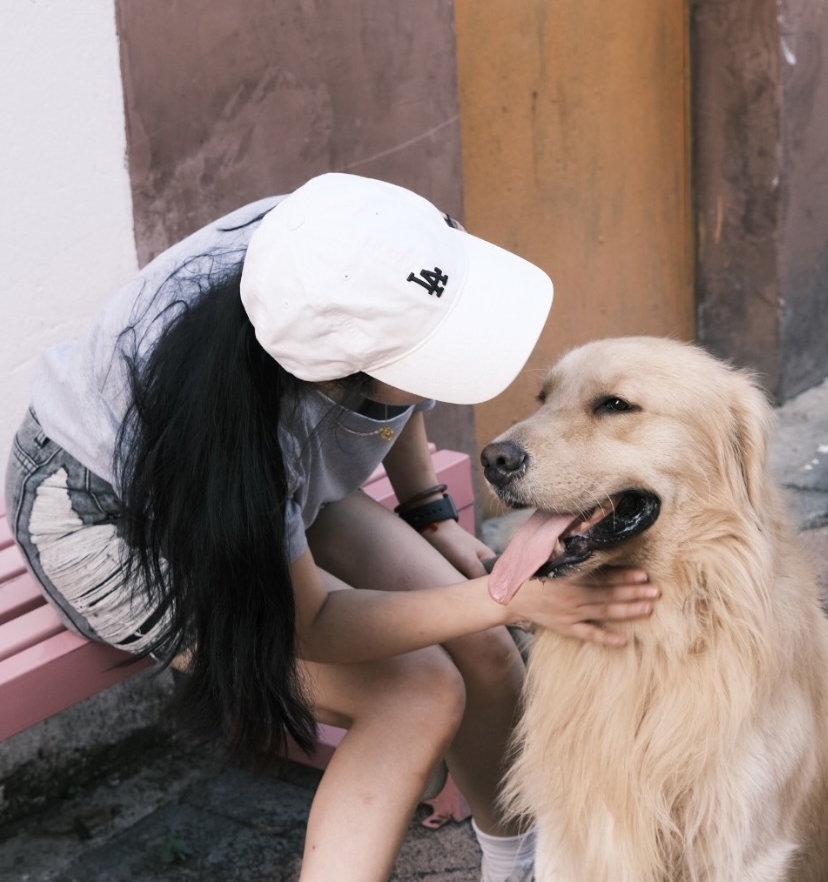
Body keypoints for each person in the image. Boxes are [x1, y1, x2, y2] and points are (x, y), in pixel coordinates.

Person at [4, 173, 658, 882]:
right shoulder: (252, 441)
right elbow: (314, 623)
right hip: (113, 528)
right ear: (342, 380)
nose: (448, 377)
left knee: (486, 647)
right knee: (417, 696)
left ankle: (515, 866)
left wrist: (429, 512)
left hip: (260, 473)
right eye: (427, 365)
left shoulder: (337, 246)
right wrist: (515, 596)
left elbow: (399, 391)